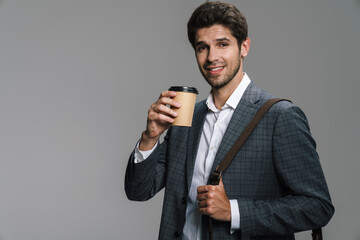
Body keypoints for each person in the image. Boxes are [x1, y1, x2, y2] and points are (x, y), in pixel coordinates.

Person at [125, 1, 334, 239]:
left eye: (222, 44)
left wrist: (234, 211)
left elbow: (318, 207)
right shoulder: (187, 119)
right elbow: (138, 191)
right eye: (202, 47)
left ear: (244, 47)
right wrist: (150, 137)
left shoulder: (280, 117)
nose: (212, 57)